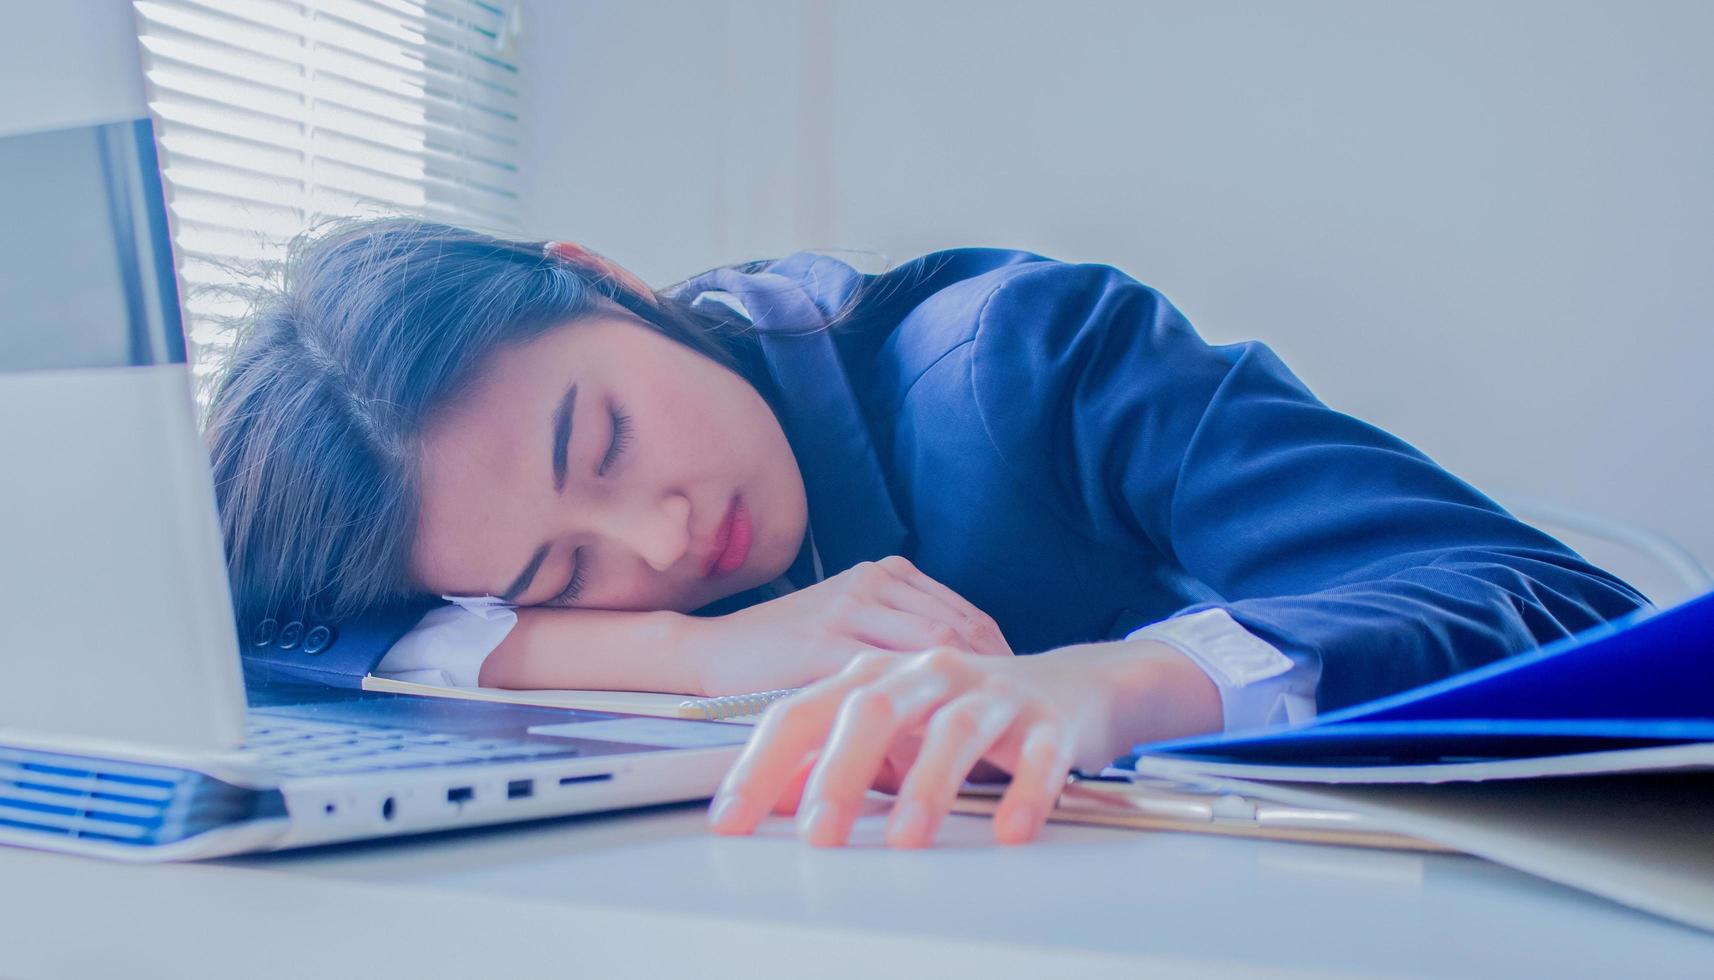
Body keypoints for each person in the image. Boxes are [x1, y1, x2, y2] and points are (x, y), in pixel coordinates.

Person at [206, 218, 1648, 849]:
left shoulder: (1029, 355)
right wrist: (679, 651)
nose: (659, 533)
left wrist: (1116, 681)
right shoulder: (648, 588)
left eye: (609, 441)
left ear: (603, 279)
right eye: (558, 577)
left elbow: (1541, 592)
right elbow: (265, 624)